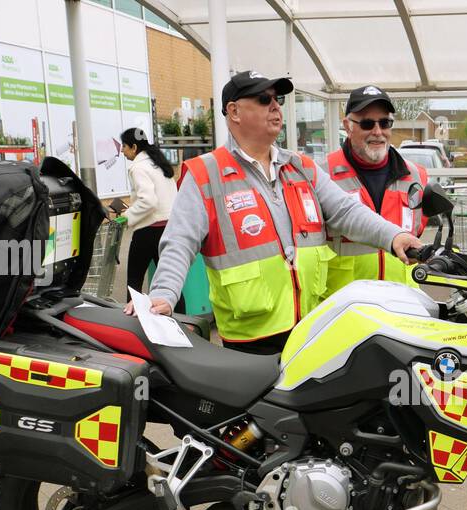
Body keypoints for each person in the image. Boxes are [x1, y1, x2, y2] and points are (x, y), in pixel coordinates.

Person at [134, 70, 423, 354]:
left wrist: (393, 235)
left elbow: (346, 211)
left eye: (278, 99)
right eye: (263, 99)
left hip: (311, 326)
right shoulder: (205, 174)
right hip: (252, 338)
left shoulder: (301, 167)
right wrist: (163, 294)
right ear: (234, 112)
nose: (275, 106)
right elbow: (179, 242)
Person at [325, 86, 428, 292]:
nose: (378, 132)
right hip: (347, 307)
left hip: (402, 303)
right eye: (367, 123)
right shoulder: (323, 176)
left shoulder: (416, 176)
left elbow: (418, 230)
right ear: (348, 126)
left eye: (385, 122)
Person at [117, 127, 176, 298]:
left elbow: (148, 201)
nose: (122, 150)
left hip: (148, 231)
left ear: (134, 147)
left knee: (134, 282)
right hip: (168, 229)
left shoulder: (138, 168)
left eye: (124, 146)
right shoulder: (157, 163)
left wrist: (126, 217)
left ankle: (133, 320)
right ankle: (181, 321)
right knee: (169, 282)